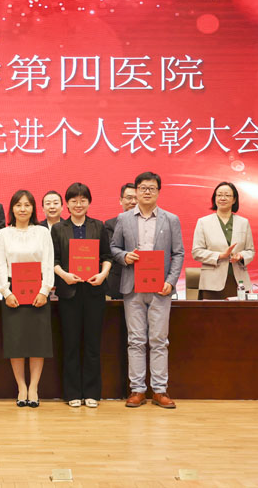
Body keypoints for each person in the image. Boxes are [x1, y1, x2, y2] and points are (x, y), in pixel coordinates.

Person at [110, 171, 184, 409]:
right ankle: (138, 390)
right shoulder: (124, 219)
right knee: (136, 340)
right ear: (137, 191)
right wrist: (124, 256)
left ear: (158, 192)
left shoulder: (170, 219)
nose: (147, 192)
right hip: (133, 287)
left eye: (152, 188)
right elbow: (113, 247)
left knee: (159, 340)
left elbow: (178, 253)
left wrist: (171, 281)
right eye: (143, 188)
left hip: (160, 288)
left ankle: (160, 390)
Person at [51, 183, 112, 408]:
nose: (78, 204)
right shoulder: (58, 228)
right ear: (66, 204)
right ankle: (72, 392)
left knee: (93, 344)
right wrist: (64, 275)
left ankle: (92, 392)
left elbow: (107, 256)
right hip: (69, 293)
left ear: (89, 202)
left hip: (94, 292)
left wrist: (103, 274)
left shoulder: (98, 226)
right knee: (70, 344)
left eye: (83, 200)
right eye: (74, 200)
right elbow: (53, 260)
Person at [0, 190, 54, 408]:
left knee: (38, 342)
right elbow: (0, 264)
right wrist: (6, 292)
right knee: (16, 342)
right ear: (12, 208)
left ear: (33, 209)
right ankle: (21, 387)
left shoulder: (42, 232)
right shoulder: (3, 234)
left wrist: (44, 290)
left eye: (27, 205)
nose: (22, 209)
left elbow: (48, 262)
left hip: (38, 292)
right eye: (18, 205)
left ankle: (34, 387)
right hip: (13, 293)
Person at [191, 182, 255, 299]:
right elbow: (197, 252)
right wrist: (220, 255)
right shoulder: (203, 222)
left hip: (238, 282)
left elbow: (250, 251)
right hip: (211, 282)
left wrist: (241, 256)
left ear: (234, 199)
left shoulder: (243, 222)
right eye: (219, 195)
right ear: (214, 198)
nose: (223, 198)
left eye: (227, 195)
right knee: (211, 311)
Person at [104, 183, 137, 299]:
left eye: (136, 198)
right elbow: (110, 250)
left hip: (146, 280)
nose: (133, 202)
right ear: (120, 200)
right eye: (129, 198)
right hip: (119, 282)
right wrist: (125, 256)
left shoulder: (151, 223)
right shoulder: (110, 224)